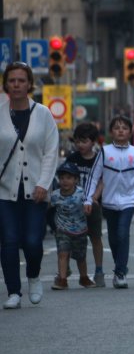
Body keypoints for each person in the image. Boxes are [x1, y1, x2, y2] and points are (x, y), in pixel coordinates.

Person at [0, 62, 59, 309]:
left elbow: (51, 151)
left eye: (21, 80)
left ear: (29, 84)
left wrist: (44, 183)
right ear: (6, 84)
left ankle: (33, 276)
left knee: (34, 241)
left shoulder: (43, 114)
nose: (16, 85)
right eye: (12, 80)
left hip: (36, 190)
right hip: (4, 191)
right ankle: (14, 291)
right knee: (10, 240)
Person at [84, 116, 134, 289]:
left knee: (123, 234)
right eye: (117, 128)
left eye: (124, 128)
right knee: (114, 238)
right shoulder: (104, 151)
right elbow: (94, 176)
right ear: (111, 132)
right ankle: (120, 267)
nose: (121, 130)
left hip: (129, 201)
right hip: (108, 201)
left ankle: (120, 272)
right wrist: (87, 198)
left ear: (130, 132)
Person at [65, 123, 105, 287]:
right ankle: (64, 267)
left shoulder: (99, 159)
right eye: (77, 141)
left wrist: (95, 196)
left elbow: (103, 180)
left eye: (84, 141)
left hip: (93, 206)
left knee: (95, 237)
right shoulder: (72, 159)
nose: (80, 145)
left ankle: (99, 270)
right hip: (73, 205)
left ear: (93, 142)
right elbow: (64, 179)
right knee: (69, 237)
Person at [50, 162, 96, 289]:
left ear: (76, 179)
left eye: (69, 178)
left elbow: (91, 204)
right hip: (62, 229)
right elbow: (48, 208)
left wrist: (90, 209)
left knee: (81, 257)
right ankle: (62, 280)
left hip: (80, 230)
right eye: (62, 178)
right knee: (62, 254)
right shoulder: (55, 195)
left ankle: (84, 278)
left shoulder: (82, 194)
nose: (65, 181)